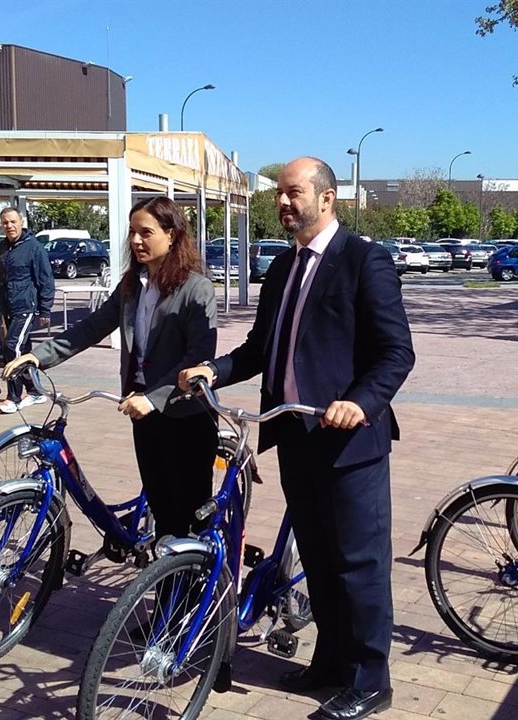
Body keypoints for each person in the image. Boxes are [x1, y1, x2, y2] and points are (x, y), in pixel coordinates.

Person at [179, 157, 414, 720]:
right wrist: (215, 369)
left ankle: (370, 680)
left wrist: (359, 401)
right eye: (280, 195)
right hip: (293, 434)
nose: (284, 203)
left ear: (326, 199)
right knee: (318, 554)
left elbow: (395, 352)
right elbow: (263, 348)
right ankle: (331, 663)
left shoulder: (366, 261)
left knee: (358, 562)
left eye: (294, 193)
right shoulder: (282, 267)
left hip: (350, 443)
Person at [4, 196, 218, 543]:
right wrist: (38, 357)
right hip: (143, 414)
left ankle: (191, 592)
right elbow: (91, 327)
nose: (135, 241)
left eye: (145, 233)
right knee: (164, 511)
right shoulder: (132, 285)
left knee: (188, 519)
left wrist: (156, 397)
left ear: (172, 235)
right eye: (132, 232)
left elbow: (198, 356)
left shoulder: (196, 289)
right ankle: (164, 589)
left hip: (184, 416)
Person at [0, 207, 55, 413]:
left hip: (26, 306)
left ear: (21, 223)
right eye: (5, 222)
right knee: (23, 350)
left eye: (12, 221)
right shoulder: (0, 248)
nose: (9, 226)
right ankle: (35, 392)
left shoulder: (34, 248)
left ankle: (14, 396)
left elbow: (45, 279)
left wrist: (45, 309)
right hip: (7, 307)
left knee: (11, 346)